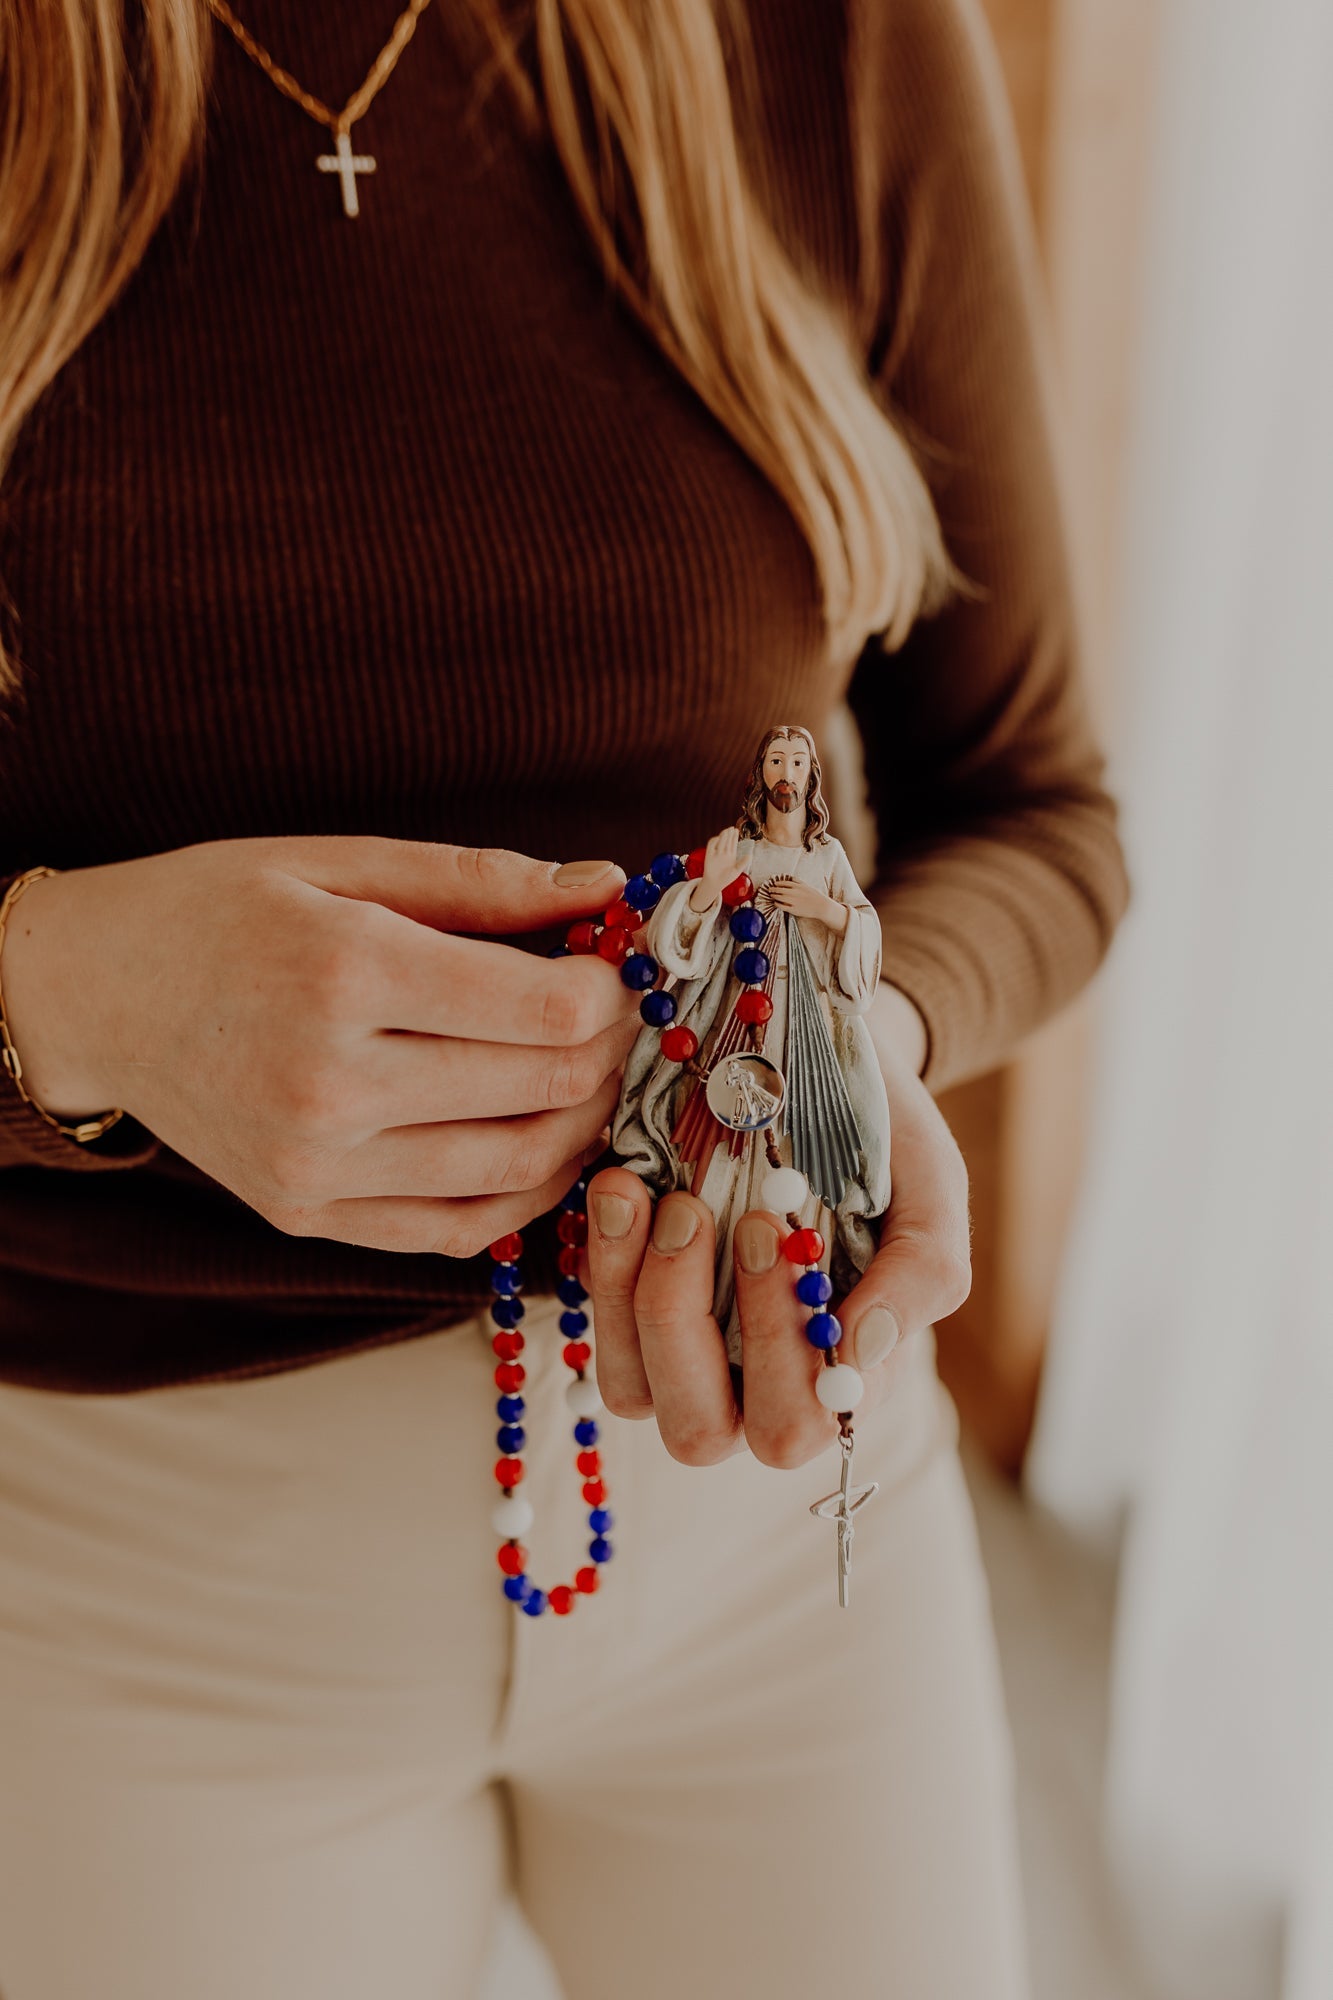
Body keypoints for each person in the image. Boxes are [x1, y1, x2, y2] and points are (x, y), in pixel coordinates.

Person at [0, 0, 1130, 1995]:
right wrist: (65, 985)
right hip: (116, 1594)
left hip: (794, 1529)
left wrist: (867, 1037)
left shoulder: (827, 36)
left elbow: (1038, 805)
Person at [611, 722, 894, 1366]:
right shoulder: (736, 848)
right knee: (715, 1161)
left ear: (812, 777)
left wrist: (823, 910)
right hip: (730, 1026)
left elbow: (864, 931)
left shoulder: (827, 860)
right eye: (776, 760)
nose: (787, 772)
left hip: (809, 1041)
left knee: (796, 1161)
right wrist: (710, 889)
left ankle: (786, 1320)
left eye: (798, 761)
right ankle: (713, 1305)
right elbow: (683, 937)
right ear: (760, 775)